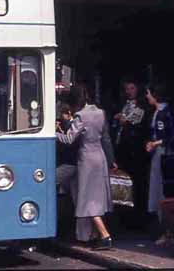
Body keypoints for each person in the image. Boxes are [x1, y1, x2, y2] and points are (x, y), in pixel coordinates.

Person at [57, 83, 117, 250]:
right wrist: (112, 159)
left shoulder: (80, 116)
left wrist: (53, 133)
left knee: (87, 199)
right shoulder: (100, 113)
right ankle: (96, 235)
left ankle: (105, 236)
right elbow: (105, 138)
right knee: (98, 197)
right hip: (100, 157)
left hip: (87, 159)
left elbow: (69, 139)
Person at [111, 77, 150, 226]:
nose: (129, 92)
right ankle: (124, 217)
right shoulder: (123, 105)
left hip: (136, 150)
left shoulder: (142, 106)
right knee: (123, 183)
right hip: (123, 149)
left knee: (138, 184)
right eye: (127, 89)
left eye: (132, 88)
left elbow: (137, 124)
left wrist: (124, 121)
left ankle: (138, 218)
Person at [144, 83, 174, 246]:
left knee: (161, 191)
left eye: (149, 94)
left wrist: (154, 143)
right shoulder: (160, 112)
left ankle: (168, 231)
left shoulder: (164, 113)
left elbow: (170, 136)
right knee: (158, 191)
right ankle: (165, 230)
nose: (147, 97)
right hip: (159, 154)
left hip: (163, 155)